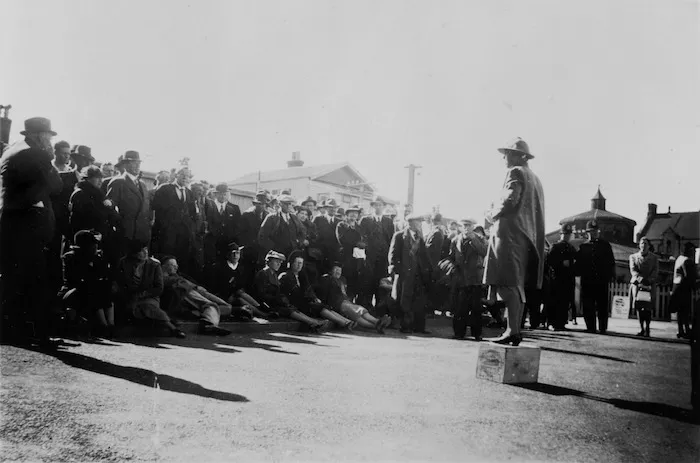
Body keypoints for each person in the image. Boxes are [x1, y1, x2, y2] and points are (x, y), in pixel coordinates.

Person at [0, 117, 63, 348]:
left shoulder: (14, 149)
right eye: (48, 137)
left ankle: (13, 332)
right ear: (38, 136)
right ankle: (32, 334)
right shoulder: (37, 154)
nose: (50, 142)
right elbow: (57, 186)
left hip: (11, 223)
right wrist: (49, 160)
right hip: (26, 227)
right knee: (32, 281)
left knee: (13, 280)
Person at [483, 138, 545, 346]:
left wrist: (491, 213)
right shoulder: (535, 178)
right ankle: (514, 329)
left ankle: (512, 330)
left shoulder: (515, 172)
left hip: (509, 234)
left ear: (519, 156)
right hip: (524, 237)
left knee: (508, 283)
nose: (505, 157)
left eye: (508, 153)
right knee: (516, 285)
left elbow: (510, 199)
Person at [114, 241, 186, 338]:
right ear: (134, 253)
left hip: (149, 296)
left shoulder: (154, 265)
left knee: (148, 306)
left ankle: (172, 328)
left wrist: (143, 294)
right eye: (141, 251)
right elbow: (119, 281)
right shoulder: (124, 262)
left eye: (146, 249)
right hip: (129, 295)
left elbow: (159, 288)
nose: (145, 253)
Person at [254, 251, 330, 332]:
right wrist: (277, 299)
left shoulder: (274, 274)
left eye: (280, 262)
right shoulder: (263, 273)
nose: (278, 264)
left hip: (274, 302)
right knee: (289, 310)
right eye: (276, 261)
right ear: (268, 262)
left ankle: (313, 321)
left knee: (291, 307)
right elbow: (261, 294)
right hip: (266, 304)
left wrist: (282, 299)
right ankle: (312, 322)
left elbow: (278, 291)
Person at [58, 230, 115, 338]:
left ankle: (110, 324)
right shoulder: (70, 257)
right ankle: (103, 326)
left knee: (105, 287)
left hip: (91, 291)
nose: (95, 246)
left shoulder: (97, 258)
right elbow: (75, 278)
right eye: (93, 244)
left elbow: (103, 275)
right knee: (92, 287)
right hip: (72, 291)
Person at [161, 256, 235, 336]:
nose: (176, 267)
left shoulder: (177, 276)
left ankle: (201, 315)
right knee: (211, 306)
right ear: (164, 266)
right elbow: (173, 285)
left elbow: (195, 288)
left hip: (193, 291)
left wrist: (196, 287)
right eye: (173, 265)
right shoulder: (163, 277)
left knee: (226, 307)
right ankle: (208, 324)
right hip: (184, 292)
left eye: (176, 265)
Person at [279, 252, 355, 330]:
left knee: (322, 305)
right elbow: (291, 293)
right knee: (318, 307)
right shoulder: (286, 276)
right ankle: (342, 322)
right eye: (297, 263)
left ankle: (346, 321)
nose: (299, 265)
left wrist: (314, 298)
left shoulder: (302, 276)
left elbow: (308, 289)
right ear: (291, 263)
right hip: (295, 302)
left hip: (304, 301)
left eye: (301, 263)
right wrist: (308, 299)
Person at [388, 213, 433, 334]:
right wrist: (395, 270)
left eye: (420, 222)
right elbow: (393, 254)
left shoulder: (420, 238)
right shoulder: (399, 236)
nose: (419, 225)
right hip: (405, 273)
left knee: (419, 301)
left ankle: (419, 327)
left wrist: (427, 270)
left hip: (418, 274)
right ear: (410, 223)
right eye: (418, 222)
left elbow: (424, 256)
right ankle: (405, 326)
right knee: (405, 300)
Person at [444, 218, 488, 340]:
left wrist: (474, 240)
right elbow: (451, 256)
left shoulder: (479, 239)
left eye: (468, 225)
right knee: (460, 308)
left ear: (473, 226)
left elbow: (484, 252)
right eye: (464, 225)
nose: (466, 228)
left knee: (476, 308)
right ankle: (458, 333)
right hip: (461, 278)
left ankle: (477, 334)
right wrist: (452, 267)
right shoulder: (455, 239)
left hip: (475, 278)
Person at [317, 262, 390, 333]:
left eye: (339, 270)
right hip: (337, 304)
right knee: (358, 312)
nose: (338, 272)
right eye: (336, 269)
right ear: (331, 270)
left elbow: (344, 294)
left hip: (345, 303)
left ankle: (377, 324)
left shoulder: (342, 280)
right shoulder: (327, 278)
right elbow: (324, 295)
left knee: (359, 313)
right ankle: (377, 322)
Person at [106, 151, 152, 259]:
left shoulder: (143, 185)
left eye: (138, 163)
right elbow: (109, 207)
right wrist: (121, 223)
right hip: (126, 235)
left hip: (141, 235)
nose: (137, 166)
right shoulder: (118, 182)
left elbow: (147, 208)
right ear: (125, 165)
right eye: (133, 163)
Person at [151, 167, 196, 274]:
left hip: (183, 235)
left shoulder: (189, 193)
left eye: (188, 176)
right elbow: (156, 208)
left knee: (180, 261)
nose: (185, 178)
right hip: (166, 233)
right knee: (167, 260)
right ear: (176, 175)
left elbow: (192, 214)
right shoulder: (165, 189)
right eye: (183, 175)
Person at [575, 220, 616, 334]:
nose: (594, 233)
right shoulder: (583, 247)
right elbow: (578, 264)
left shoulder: (605, 245)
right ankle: (590, 327)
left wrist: (610, 276)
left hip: (601, 280)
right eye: (591, 231)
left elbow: (611, 262)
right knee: (588, 304)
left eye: (596, 231)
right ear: (587, 233)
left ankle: (603, 327)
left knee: (602, 304)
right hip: (587, 281)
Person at [358, 197, 395, 311]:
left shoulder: (388, 221)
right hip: (369, 256)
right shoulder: (365, 220)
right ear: (372, 207)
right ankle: (367, 307)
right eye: (376, 205)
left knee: (381, 282)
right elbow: (361, 237)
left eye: (380, 205)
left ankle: (380, 308)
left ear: (384, 207)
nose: (378, 207)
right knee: (368, 281)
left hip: (383, 257)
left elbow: (391, 239)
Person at [211, 242, 261, 319]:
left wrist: (238, 290)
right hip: (224, 296)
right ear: (228, 255)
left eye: (237, 253)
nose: (235, 256)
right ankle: (260, 313)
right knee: (239, 299)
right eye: (233, 253)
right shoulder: (220, 267)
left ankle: (260, 308)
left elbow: (242, 284)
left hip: (237, 293)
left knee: (242, 295)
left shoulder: (241, 268)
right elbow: (218, 286)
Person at [546, 224, 577, 331]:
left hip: (568, 279)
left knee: (565, 302)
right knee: (555, 301)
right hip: (557, 279)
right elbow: (549, 262)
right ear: (561, 234)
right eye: (565, 234)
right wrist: (561, 263)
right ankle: (552, 323)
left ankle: (562, 323)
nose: (567, 236)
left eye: (568, 234)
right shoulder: (555, 246)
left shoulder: (571, 248)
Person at [258, 194, 307, 261]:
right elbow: (262, 236)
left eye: (290, 204)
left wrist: (298, 242)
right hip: (277, 254)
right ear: (280, 204)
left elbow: (303, 231)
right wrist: (273, 249)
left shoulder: (294, 218)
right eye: (286, 204)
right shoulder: (272, 218)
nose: (288, 206)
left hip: (292, 252)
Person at [203, 183, 241, 269]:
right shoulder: (209, 206)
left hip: (226, 246)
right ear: (215, 194)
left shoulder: (231, 209)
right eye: (220, 194)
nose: (223, 197)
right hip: (211, 244)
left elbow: (235, 228)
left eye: (225, 194)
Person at [336, 205, 367, 301]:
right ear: (347, 215)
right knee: (346, 279)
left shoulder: (359, 227)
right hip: (346, 256)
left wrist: (363, 244)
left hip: (358, 258)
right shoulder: (342, 225)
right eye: (351, 214)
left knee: (356, 279)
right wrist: (356, 243)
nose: (353, 216)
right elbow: (342, 239)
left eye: (356, 214)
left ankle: (353, 301)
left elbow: (364, 239)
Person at [629, 237, 659, 337]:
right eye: (642, 243)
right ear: (639, 245)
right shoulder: (633, 257)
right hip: (637, 284)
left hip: (650, 284)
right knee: (639, 306)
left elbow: (655, 271)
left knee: (648, 307)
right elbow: (633, 270)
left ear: (649, 246)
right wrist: (639, 278)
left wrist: (649, 280)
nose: (643, 245)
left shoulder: (654, 258)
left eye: (645, 243)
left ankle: (647, 328)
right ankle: (641, 328)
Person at [669, 243, 697, 338]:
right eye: (693, 250)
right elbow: (689, 277)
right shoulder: (687, 261)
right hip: (684, 288)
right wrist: (695, 285)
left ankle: (680, 330)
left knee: (680, 311)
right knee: (685, 310)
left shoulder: (679, 259)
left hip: (676, 287)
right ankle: (686, 330)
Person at [239, 191, 269, 273]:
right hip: (249, 250)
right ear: (255, 204)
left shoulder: (268, 216)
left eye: (263, 204)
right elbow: (241, 233)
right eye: (258, 204)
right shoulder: (246, 215)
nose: (261, 206)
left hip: (262, 251)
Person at [314, 199, 341, 275]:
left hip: (333, 253)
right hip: (320, 252)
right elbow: (313, 233)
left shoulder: (339, 221)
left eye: (335, 207)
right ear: (326, 208)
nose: (333, 209)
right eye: (330, 207)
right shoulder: (318, 219)